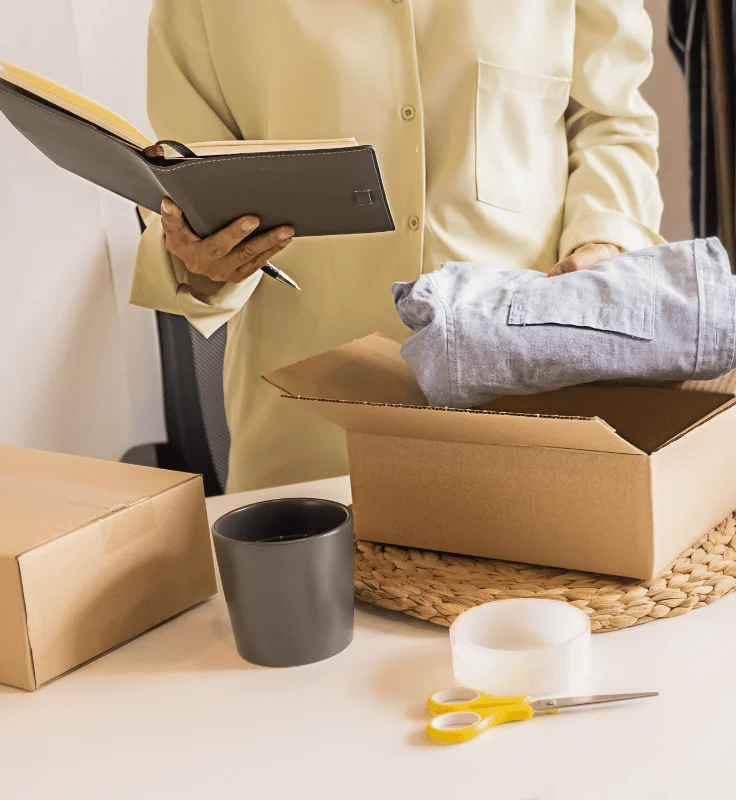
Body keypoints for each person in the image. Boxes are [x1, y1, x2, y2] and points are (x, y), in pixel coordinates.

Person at [131, 0, 664, 492]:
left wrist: (606, 238)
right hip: (311, 444)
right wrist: (198, 259)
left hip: (532, 409)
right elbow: (184, 179)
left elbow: (609, 121)